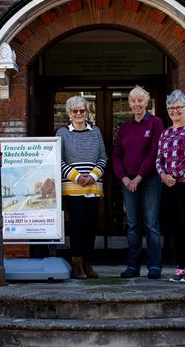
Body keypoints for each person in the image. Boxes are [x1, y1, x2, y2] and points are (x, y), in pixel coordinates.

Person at [112, 86, 164, 279]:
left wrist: (139, 176)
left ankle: (154, 266)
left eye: (140, 100)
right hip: (128, 182)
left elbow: (155, 153)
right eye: (133, 101)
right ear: (129, 103)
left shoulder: (155, 123)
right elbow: (116, 155)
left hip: (149, 179)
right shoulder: (125, 127)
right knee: (133, 224)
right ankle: (133, 266)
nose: (137, 104)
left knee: (151, 223)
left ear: (147, 101)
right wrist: (125, 178)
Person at [56, 96, 108, 279]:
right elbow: (58, 159)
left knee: (91, 226)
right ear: (69, 113)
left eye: (82, 110)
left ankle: (88, 264)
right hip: (72, 186)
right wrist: (76, 176)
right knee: (79, 224)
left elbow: (103, 157)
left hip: (93, 187)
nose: (79, 114)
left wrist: (93, 175)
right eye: (74, 111)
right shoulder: (62, 133)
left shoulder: (96, 132)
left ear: (87, 112)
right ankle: (76, 265)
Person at [156, 89, 185, 283]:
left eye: (178, 107)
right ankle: (181, 268)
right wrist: (163, 175)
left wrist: (174, 174)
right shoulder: (165, 133)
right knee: (175, 227)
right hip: (169, 185)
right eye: (171, 107)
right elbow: (159, 158)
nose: (174, 110)